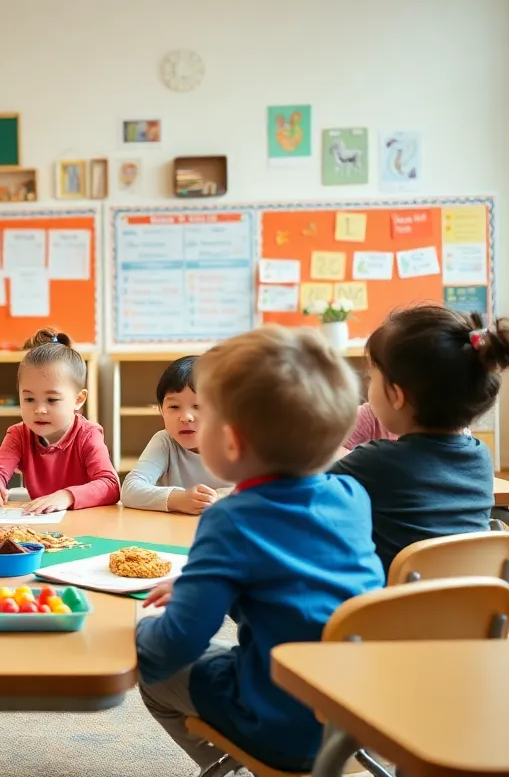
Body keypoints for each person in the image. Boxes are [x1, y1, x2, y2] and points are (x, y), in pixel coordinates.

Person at [137, 326, 383, 773]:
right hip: (359, 713)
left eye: (205, 413)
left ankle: (240, 764)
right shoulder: (352, 494)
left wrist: (141, 633)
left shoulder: (229, 519)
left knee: (153, 670)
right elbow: (290, 582)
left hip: (283, 725)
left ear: (230, 441)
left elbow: (177, 644)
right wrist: (200, 584)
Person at [330, 307, 509, 572]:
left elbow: (312, 470)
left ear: (396, 395)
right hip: (466, 606)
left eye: (372, 377)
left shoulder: (377, 461)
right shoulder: (480, 456)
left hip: (391, 608)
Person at [0, 328, 119, 514]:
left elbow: (111, 485)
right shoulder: (18, 434)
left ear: (78, 400)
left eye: (51, 400)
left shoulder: (88, 434)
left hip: (86, 522)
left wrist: (66, 496)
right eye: (29, 399)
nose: (39, 410)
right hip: (42, 525)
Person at [121, 355, 227, 514]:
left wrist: (219, 497)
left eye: (198, 406)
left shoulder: (235, 443)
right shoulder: (165, 442)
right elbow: (130, 489)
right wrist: (178, 499)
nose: (186, 417)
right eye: (174, 407)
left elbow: (265, 489)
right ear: (161, 410)